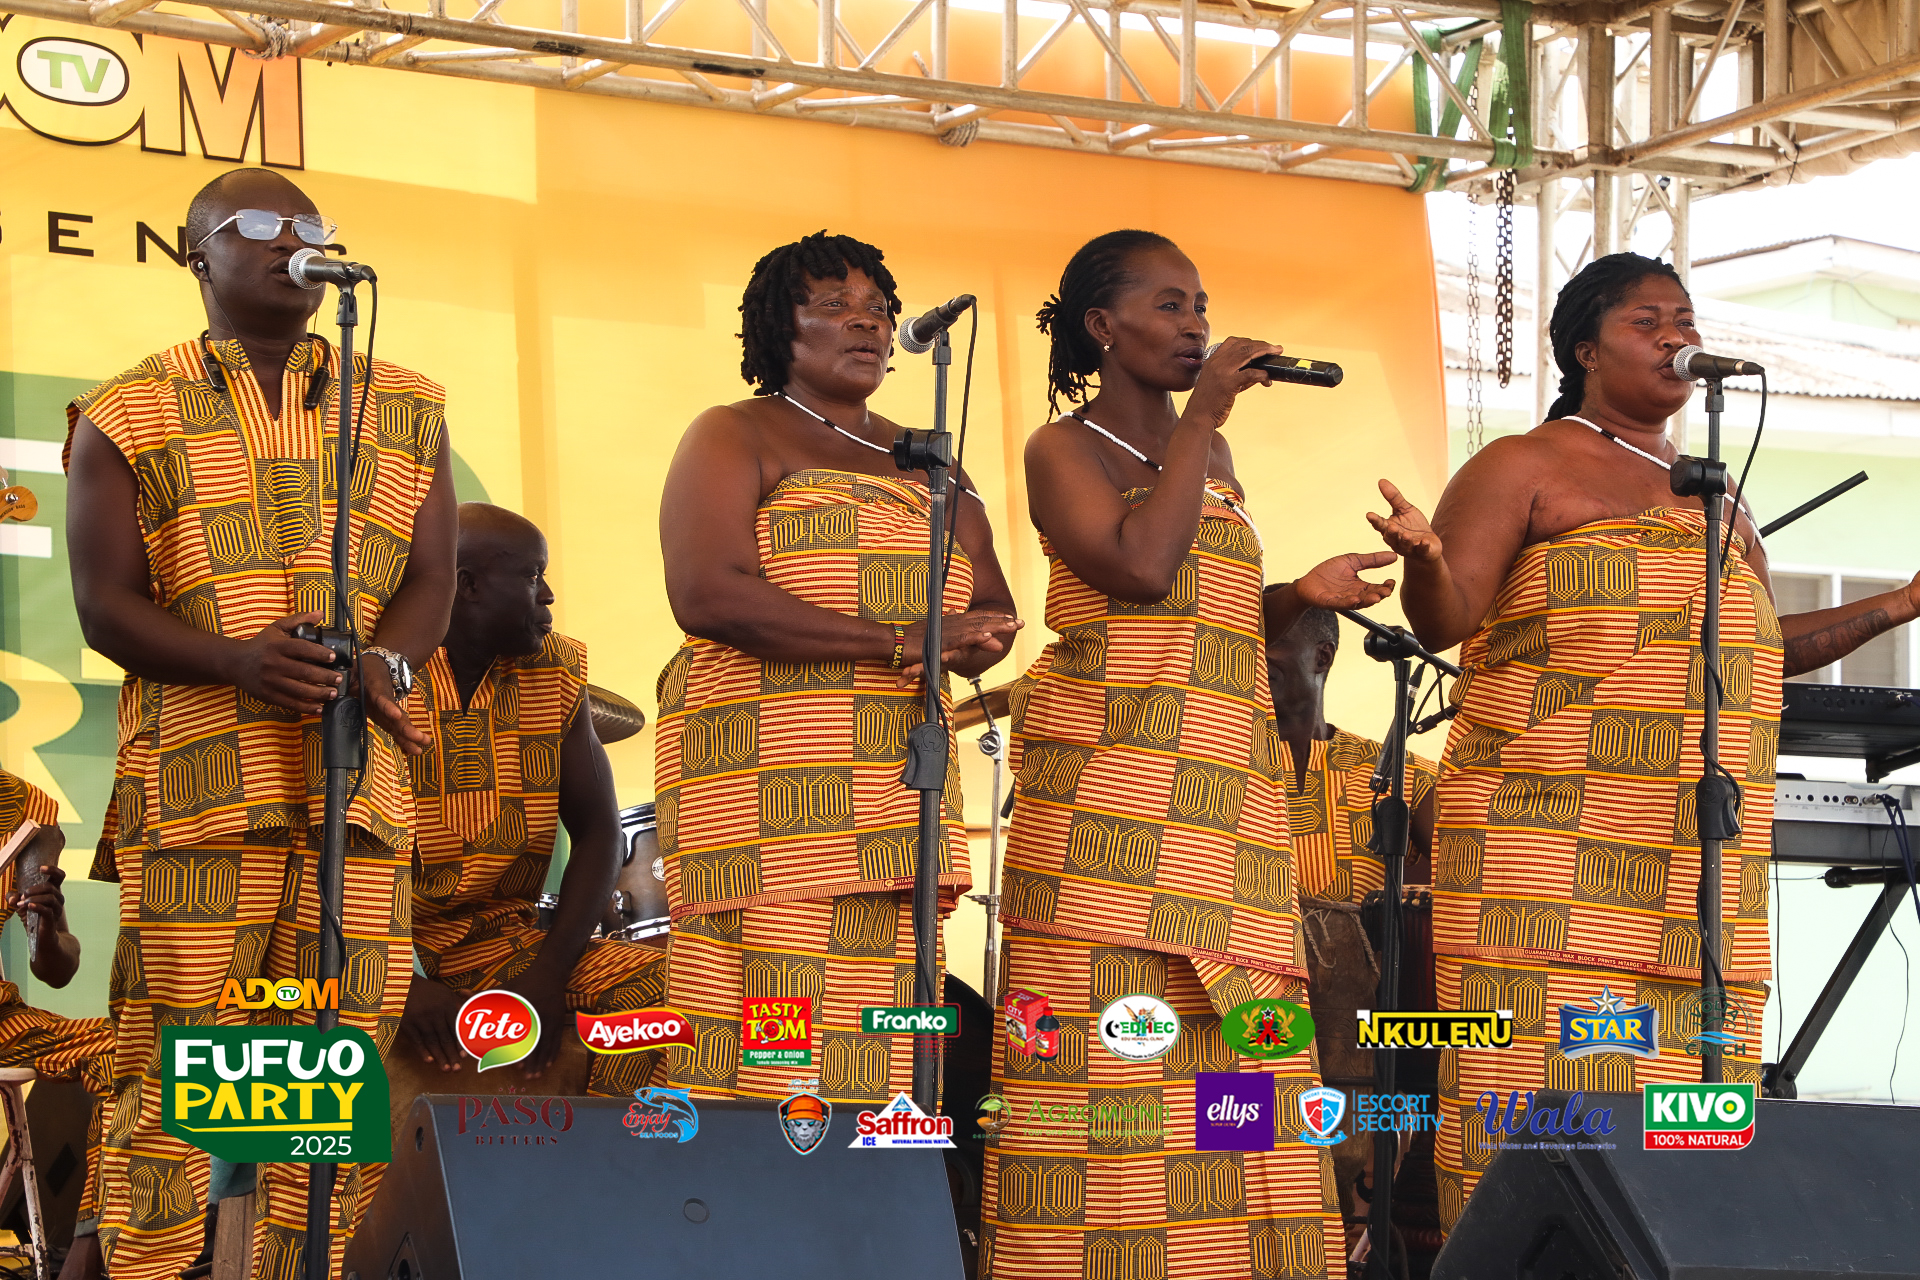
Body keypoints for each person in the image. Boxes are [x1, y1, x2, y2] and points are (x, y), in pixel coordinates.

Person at [1369, 251, 1920, 1231]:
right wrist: (1425, 560)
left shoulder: (1721, 499)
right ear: (1585, 349)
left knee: (1682, 1112)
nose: (1676, 337)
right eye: (1647, 321)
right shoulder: (1523, 464)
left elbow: (1757, 648)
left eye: (1686, 320)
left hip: (1690, 852)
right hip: (1544, 837)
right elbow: (1447, 617)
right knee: (1538, 1094)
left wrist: (1901, 604)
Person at [64, 168, 456, 1279]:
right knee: (180, 1075)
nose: (291, 241)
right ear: (198, 255)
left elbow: (433, 576)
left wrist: (386, 661)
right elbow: (105, 605)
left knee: (321, 1085)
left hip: (354, 798)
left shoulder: (405, 402)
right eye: (258, 226)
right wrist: (240, 662)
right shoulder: (127, 408)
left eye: (308, 225)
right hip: (203, 794)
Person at [983, 229, 1396, 1280]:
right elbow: (1137, 569)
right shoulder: (1062, 447)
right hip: (1108, 800)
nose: (1197, 324)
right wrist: (1203, 412)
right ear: (1101, 326)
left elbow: (1205, 615)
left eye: (1201, 304)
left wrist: (1296, 595)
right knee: (1114, 1065)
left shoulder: (1211, 458)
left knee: (1236, 1071)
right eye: (1169, 304)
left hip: (1220, 801)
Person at [655, 231, 1021, 1108]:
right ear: (779, 328)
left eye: (879, 309)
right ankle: (758, 1191)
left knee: (886, 1052)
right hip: (770, 795)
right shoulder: (735, 432)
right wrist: (903, 640)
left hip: (897, 793)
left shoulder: (932, 459)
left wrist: (979, 639)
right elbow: (708, 593)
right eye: (834, 306)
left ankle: (877, 1191)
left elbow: (992, 605)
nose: (867, 323)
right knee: (769, 1055)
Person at [400, 503, 666, 1096]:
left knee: (676, 990)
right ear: (467, 584)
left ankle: (611, 1147)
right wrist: (402, 987)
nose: (547, 595)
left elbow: (599, 832)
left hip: (507, 946)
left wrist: (547, 977)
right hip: (379, 952)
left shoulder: (554, 672)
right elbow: (315, 846)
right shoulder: (383, 669)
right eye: (530, 576)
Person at [1262, 595, 1442, 1255]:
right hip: (1251, 1033)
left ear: (1322, 657)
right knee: (1258, 1212)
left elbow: (1469, 879)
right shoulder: (1216, 772)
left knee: (1358, 1235)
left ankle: (1364, 1234)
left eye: (1271, 656)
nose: (1254, 669)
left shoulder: (1397, 775)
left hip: (1369, 1046)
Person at [0, 768, 116, 1279]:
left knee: (131, 1053)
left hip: (3, 1022)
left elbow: (57, 968)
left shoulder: (22, 810)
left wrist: (46, 930)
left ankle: (85, 1256)